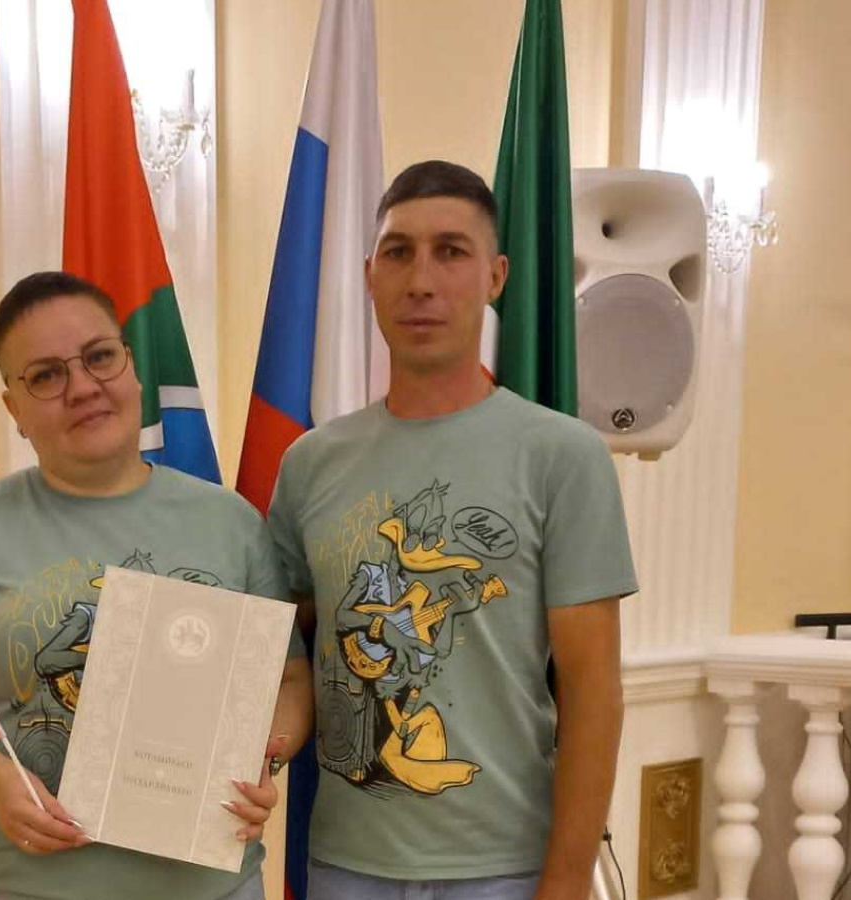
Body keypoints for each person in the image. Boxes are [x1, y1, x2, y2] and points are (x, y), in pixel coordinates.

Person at [0, 271, 312, 900]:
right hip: (12, 887)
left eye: (99, 357)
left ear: (132, 369)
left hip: (208, 887)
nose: (81, 388)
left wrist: (262, 756)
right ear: (15, 410)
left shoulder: (231, 524)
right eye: (46, 375)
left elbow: (288, 681)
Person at [266, 160, 637, 900]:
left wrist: (568, 878)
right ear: (370, 276)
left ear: (496, 276)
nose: (422, 281)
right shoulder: (309, 464)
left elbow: (593, 689)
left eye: (451, 251)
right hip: (345, 866)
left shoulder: (562, 456)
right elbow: (271, 645)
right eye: (399, 253)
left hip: (504, 870)